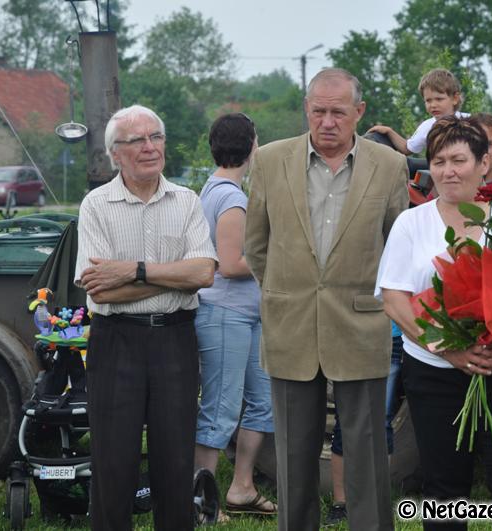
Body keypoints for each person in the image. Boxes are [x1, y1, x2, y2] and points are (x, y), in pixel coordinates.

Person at [244, 67, 409, 531]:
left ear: (359, 113)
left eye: (339, 111)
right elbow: (256, 246)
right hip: (290, 324)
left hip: (362, 324)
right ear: (306, 110)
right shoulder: (271, 161)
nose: (328, 121)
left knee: (367, 451)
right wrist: (287, 290)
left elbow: (397, 247)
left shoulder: (390, 165)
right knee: (294, 452)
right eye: (319, 110)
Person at [376, 115, 492, 531]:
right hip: (436, 377)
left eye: (458, 160)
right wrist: (448, 349)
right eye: (437, 161)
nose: (447, 171)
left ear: (484, 163)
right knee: (444, 487)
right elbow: (395, 299)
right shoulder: (411, 223)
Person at [75, 104, 217, 530]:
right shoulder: (96, 205)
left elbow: (205, 273)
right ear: (115, 154)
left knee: (174, 461)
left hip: (174, 340)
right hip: (115, 340)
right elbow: (99, 287)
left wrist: (133, 270)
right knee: (113, 461)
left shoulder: (187, 200)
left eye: (156, 137)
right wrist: (176, 277)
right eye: (137, 140)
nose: (150, 147)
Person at [193, 113, 275, 519]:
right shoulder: (230, 198)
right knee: (221, 409)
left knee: (263, 403)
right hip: (225, 315)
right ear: (252, 146)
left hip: (248, 317)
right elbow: (229, 264)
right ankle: (201, 499)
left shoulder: (218, 189)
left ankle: (241, 488)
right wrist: (278, 255)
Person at [325, 329, 402, 526]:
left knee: (382, 421)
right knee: (344, 421)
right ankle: (340, 502)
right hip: (352, 335)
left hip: (392, 338)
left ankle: (377, 500)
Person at [368, 68, 470, 155]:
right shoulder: (427, 126)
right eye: (428, 100)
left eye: (439, 99)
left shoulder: (470, 122)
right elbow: (407, 148)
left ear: (455, 98)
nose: (433, 105)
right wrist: (389, 131)